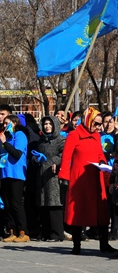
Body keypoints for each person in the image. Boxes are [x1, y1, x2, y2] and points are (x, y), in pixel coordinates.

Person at [59, 107, 114, 255]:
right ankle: (76, 246)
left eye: (99, 124)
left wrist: (104, 164)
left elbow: (99, 154)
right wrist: (64, 177)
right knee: (79, 212)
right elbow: (66, 157)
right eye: (96, 123)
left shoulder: (96, 136)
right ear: (88, 119)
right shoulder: (74, 135)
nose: (98, 127)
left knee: (102, 211)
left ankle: (104, 244)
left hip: (96, 178)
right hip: (79, 180)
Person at [0, 114, 30, 242]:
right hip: (6, 173)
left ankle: (23, 231)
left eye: (7, 123)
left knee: (16, 203)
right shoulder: (7, 137)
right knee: (8, 203)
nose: (5, 126)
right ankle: (12, 230)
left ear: (14, 123)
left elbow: (17, 153)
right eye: (4, 124)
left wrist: (5, 143)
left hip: (16, 174)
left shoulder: (20, 135)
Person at [35, 116, 65, 242]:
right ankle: (46, 232)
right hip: (42, 174)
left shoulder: (61, 140)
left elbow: (64, 154)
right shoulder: (41, 141)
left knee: (54, 204)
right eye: (45, 124)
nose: (47, 126)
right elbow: (35, 154)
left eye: (50, 124)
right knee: (44, 204)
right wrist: (36, 159)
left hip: (54, 175)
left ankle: (57, 234)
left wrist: (55, 161)